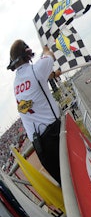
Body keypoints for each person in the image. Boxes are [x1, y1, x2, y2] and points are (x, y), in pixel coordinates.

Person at [7, 40, 62, 185]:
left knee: (65, 184)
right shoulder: (36, 70)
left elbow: (39, 78)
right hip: (54, 136)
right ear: (28, 54)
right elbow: (50, 56)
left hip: (40, 148)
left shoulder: (16, 83)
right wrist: (45, 49)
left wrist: (53, 74)